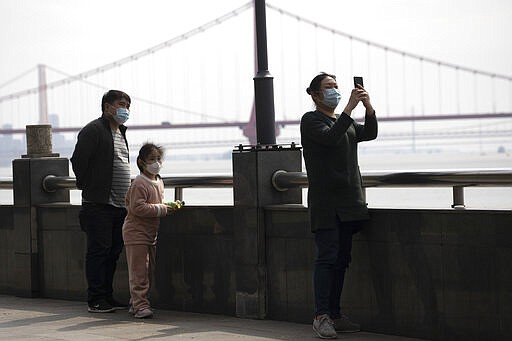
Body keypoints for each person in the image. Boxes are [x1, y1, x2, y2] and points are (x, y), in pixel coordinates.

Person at [300, 72, 377, 339]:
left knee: (342, 260)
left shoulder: (345, 122)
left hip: (350, 201)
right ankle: (321, 316)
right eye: (328, 87)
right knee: (327, 258)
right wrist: (349, 109)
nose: (335, 90)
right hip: (326, 203)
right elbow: (331, 138)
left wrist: (368, 108)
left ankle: (335, 314)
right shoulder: (311, 120)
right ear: (315, 94)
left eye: (336, 86)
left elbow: (370, 134)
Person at [71, 89, 132, 313]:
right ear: (107, 107)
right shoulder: (93, 130)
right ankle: (95, 299)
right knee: (98, 252)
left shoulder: (121, 132)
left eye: (127, 105)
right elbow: (78, 161)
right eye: (120, 104)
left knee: (113, 253)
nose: (124, 109)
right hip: (98, 206)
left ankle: (107, 296)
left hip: (120, 206)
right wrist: (90, 187)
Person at [122, 143, 174, 319]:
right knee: (139, 272)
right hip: (135, 233)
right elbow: (137, 208)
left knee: (147, 271)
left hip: (151, 234)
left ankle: (135, 302)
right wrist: (162, 209)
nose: (156, 163)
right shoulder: (139, 183)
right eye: (152, 159)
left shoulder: (158, 181)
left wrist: (165, 207)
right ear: (141, 162)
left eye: (159, 159)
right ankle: (141, 306)